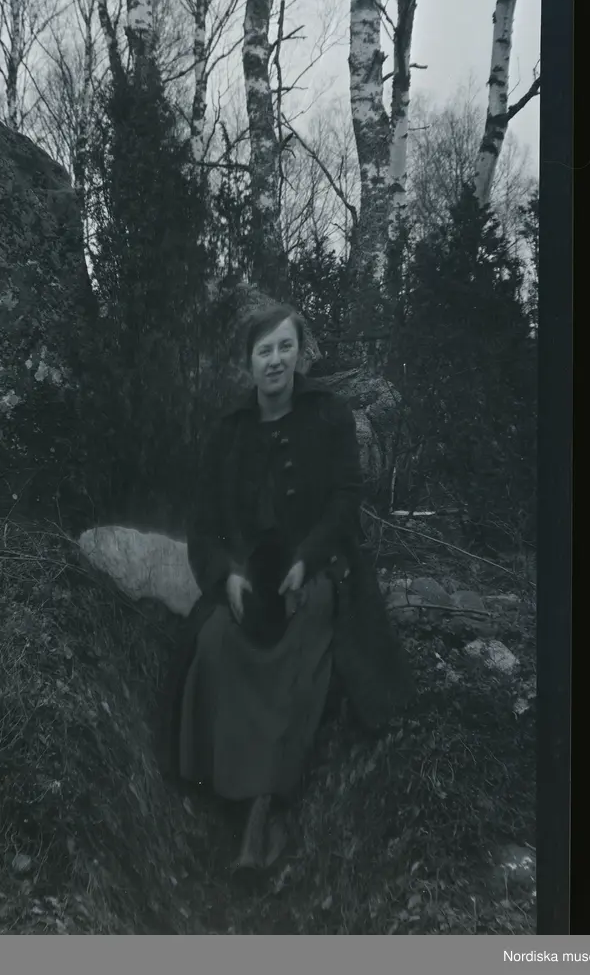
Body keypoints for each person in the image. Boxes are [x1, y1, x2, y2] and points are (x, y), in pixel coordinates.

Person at [162, 303, 415, 870]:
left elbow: (346, 498)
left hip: (317, 568)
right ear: (248, 361)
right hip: (249, 577)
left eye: (285, 347)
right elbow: (204, 523)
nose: (275, 360)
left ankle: (265, 809)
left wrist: (308, 559)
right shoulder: (227, 433)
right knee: (214, 643)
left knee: (301, 648)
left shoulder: (329, 415)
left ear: (300, 353)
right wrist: (225, 575)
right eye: (264, 350)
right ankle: (220, 791)